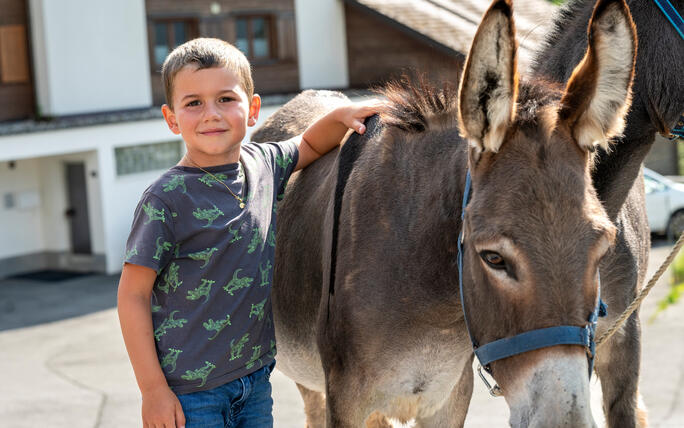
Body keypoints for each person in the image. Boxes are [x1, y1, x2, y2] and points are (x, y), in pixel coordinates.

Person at [117, 37, 382, 428]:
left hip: (255, 382)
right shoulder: (165, 200)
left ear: (253, 108)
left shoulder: (262, 163)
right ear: (172, 118)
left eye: (226, 98)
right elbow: (132, 295)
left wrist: (346, 114)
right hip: (191, 394)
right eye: (193, 103)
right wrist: (153, 390)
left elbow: (308, 142)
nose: (212, 114)